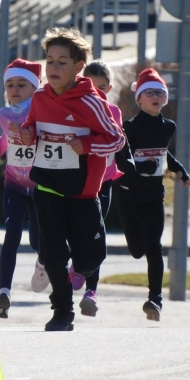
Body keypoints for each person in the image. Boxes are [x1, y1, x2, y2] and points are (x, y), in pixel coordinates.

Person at [21, 27, 125, 331]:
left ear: (79, 66)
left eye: (62, 62)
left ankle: (79, 272)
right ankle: (62, 312)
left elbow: (117, 140)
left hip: (83, 193)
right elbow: (31, 128)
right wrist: (28, 135)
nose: (53, 67)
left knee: (91, 256)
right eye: (49, 61)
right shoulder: (40, 97)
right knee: (52, 252)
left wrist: (89, 145)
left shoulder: (92, 102)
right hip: (48, 187)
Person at [115, 68, 190, 322]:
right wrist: (138, 168)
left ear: (166, 98)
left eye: (160, 92)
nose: (155, 96)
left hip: (153, 197)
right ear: (139, 99)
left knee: (154, 247)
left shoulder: (168, 127)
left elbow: (162, 154)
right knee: (137, 250)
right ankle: (153, 296)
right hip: (128, 194)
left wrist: (178, 168)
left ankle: (155, 300)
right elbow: (122, 157)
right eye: (149, 92)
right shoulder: (129, 127)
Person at [0, 59, 47, 319]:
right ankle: (4, 292)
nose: (15, 90)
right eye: (10, 85)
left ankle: (43, 263)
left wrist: (29, 132)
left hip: (41, 184)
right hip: (14, 184)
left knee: (36, 241)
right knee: (11, 236)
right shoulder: (4, 114)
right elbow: (5, 139)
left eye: (22, 84)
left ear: (34, 88)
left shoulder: (42, 110)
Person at [69, 60, 124, 312]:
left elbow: (117, 141)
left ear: (110, 88)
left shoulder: (114, 112)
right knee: (78, 229)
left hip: (106, 180)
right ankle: (77, 266)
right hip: (81, 179)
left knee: (96, 233)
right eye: (92, 87)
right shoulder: (77, 110)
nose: (97, 93)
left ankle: (92, 291)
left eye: (102, 88)